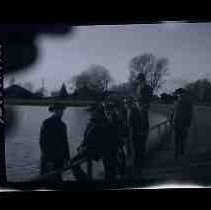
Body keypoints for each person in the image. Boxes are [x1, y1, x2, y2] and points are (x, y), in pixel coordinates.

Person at [39, 103, 70, 181]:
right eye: (58, 110)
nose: (61, 112)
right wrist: (47, 158)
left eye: (62, 110)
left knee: (57, 179)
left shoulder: (63, 125)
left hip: (60, 159)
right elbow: (43, 142)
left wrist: (67, 157)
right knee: (44, 180)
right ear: (54, 111)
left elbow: (65, 142)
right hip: (49, 158)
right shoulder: (47, 123)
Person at [172, 88, 193, 159]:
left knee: (182, 140)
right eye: (179, 93)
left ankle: (181, 154)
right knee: (177, 140)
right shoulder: (177, 101)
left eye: (180, 93)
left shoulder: (187, 101)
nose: (179, 95)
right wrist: (172, 119)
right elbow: (174, 111)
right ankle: (176, 155)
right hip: (177, 123)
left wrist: (187, 125)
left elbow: (189, 114)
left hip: (182, 123)